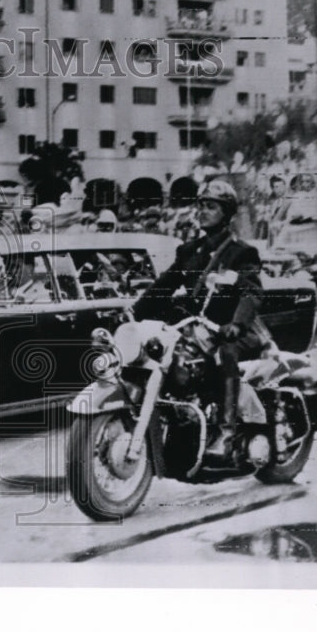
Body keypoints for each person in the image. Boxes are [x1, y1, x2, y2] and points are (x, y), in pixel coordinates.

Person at [131, 180, 264, 456]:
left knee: (225, 354)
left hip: (231, 330)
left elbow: (251, 292)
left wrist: (237, 324)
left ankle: (226, 434)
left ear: (226, 213)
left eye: (211, 206)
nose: (203, 211)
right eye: (201, 205)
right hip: (194, 329)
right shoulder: (189, 250)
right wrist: (135, 311)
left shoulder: (241, 252)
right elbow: (164, 285)